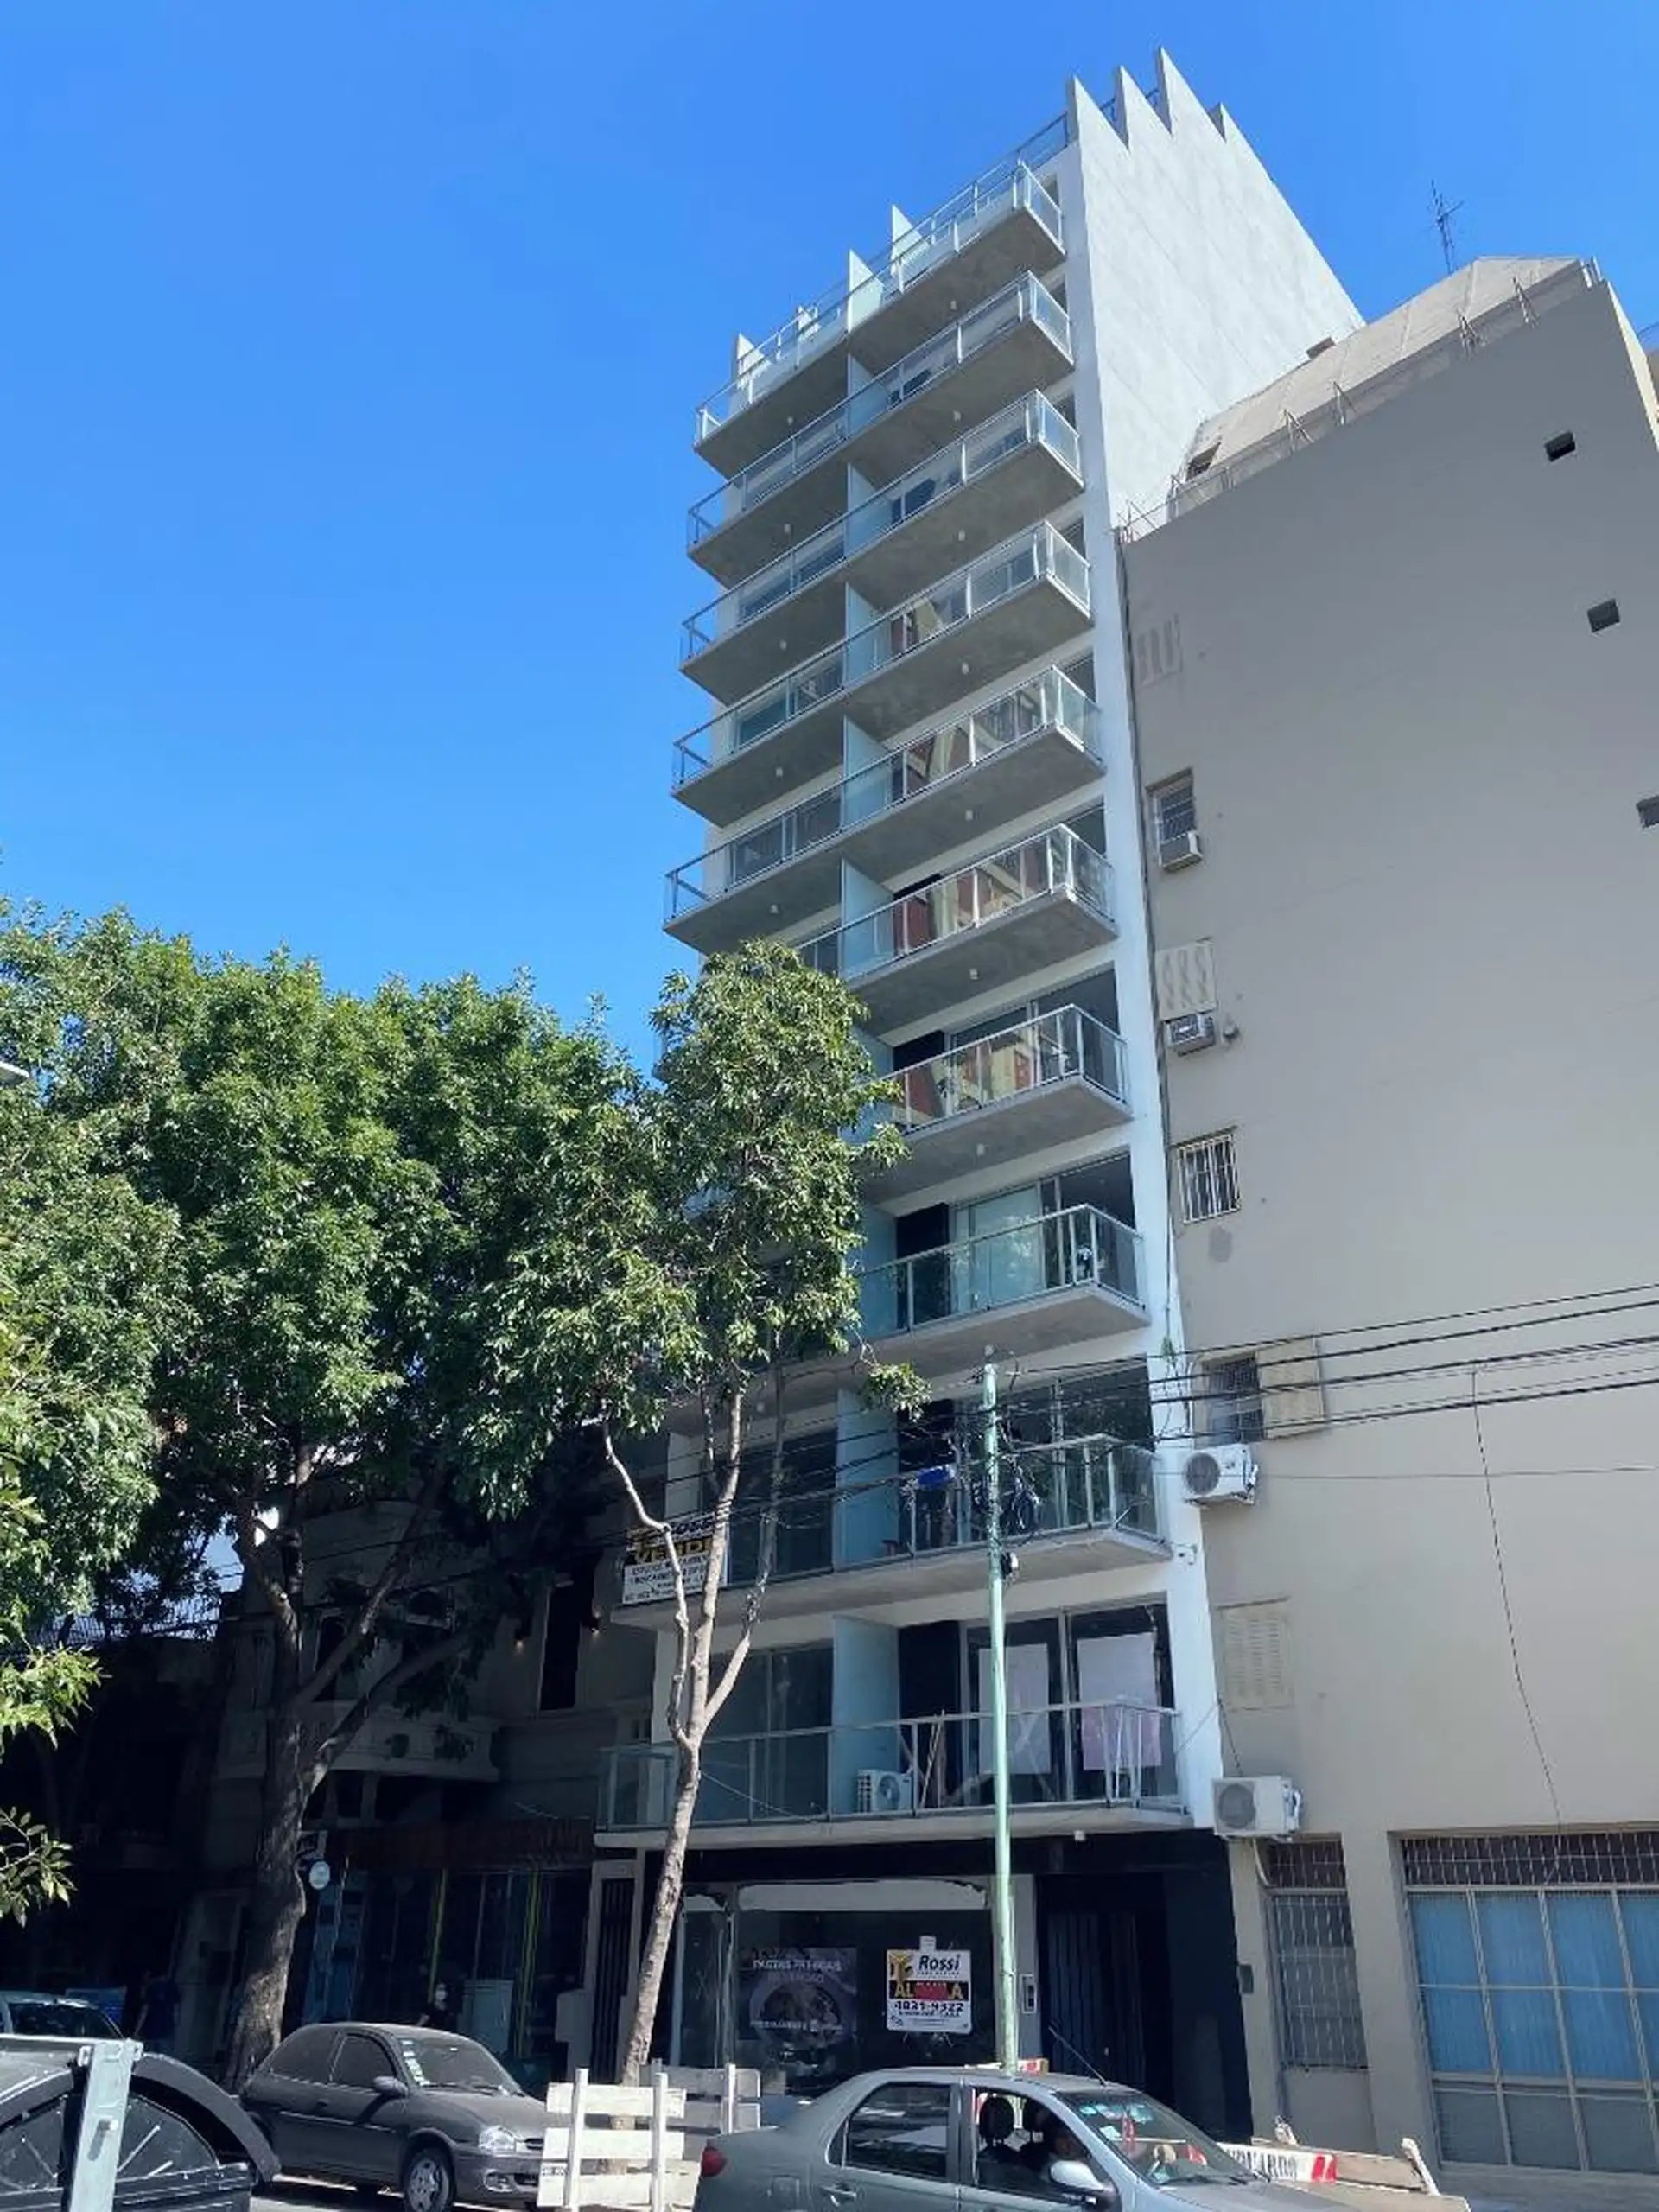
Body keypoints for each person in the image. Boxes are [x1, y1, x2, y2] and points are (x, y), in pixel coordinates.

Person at [134, 1969, 180, 2055]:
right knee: (165, 2058)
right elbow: (176, 2010)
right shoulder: (172, 1987)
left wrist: (137, 2031)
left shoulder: (151, 1988)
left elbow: (144, 2011)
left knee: (149, 2057)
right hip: (166, 2030)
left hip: (150, 2030)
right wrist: (174, 2026)